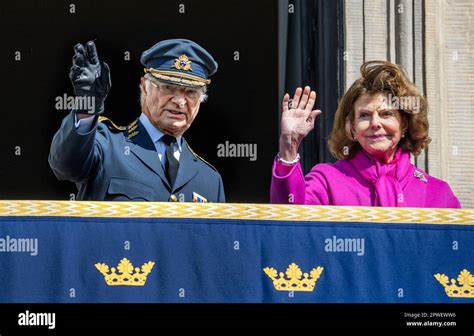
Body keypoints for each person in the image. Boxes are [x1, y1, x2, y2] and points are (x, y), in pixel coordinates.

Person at [49, 39, 225, 202]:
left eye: (190, 92)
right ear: (144, 87)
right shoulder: (106, 144)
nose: (179, 101)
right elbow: (66, 166)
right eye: (168, 88)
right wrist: (87, 107)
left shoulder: (210, 179)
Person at [271, 60, 460, 208]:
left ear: (404, 125)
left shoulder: (438, 193)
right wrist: (289, 144)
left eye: (386, 114)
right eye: (364, 115)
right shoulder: (327, 180)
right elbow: (290, 226)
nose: (375, 123)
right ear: (352, 128)